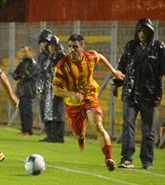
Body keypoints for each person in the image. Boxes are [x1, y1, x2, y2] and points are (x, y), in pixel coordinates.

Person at [111, 18, 165, 169]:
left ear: (151, 32)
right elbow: (121, 67)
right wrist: (115, 84)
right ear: (137, 32)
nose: (142, 34)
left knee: (149, 130)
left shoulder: (159, 48)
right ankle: (126, 159)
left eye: (145, 31)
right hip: (130, 93)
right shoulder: (130, 47)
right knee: (128, 126)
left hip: (150, 95)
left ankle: (147, 161)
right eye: (140, 31)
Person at [53, 34, 125, 171]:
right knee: (78, 133)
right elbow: (55, 90)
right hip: (73, 102)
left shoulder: (90, 57)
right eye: (69, 47)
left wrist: (113, 71)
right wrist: (71, 94)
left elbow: (101, 58)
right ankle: (81, 137)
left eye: (75, 47)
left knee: (97, 126)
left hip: (90, 96)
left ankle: (109, 158)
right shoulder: (62, 65)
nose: (71, 50)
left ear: (82, 47)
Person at [36, 29, 58, 142]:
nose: (43, 44)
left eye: (45, 42)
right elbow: (41, 71)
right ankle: (49, 134)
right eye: (42, 42)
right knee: (44, 111)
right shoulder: (41, 56)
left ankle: (54, 135)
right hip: (44, 87)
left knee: (52, 111)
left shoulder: (55, 56)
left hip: (53, 87)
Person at [12, 46, 38, 136]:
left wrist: (21, 74)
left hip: (29, 91)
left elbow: (29, 75)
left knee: (27, 111)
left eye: (25, 52)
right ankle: (24, 130)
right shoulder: (22, 63)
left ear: (30, 52)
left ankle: (28, 130)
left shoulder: (33, 64)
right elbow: (14, 75)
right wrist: (21, 75)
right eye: (22, 52)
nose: (23, 53)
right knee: (22, 111)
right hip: (21, 91)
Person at [47, 35, 66, 143]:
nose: (50, 47)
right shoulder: (52, 56)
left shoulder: (61, 56)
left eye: (52, 45)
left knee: (58, 111)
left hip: (59, 87)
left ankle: (59, 137)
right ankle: (54, 136)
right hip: (52, 87)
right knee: (54, 111)